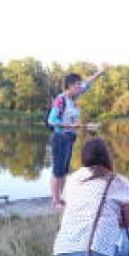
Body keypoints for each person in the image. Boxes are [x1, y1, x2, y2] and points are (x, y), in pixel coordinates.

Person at [48, 64, 108, 209]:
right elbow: (51, 120)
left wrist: (100, 72)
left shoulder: (74, 97)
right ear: (69, 86)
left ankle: (61, 198)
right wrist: (70, 126)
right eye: (77, 85)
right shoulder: (60, 100)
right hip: (60, 138)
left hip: (69, 138)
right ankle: (55, 200)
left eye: (79, 84)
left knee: (64, 169)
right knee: (57, 170)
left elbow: (88, 83)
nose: (80, 87)